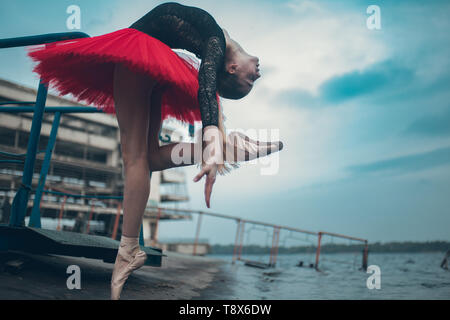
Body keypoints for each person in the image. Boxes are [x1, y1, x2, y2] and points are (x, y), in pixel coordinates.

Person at [27, 2, 283, 300]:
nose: (259, 75)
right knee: (146, 157)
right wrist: (213, 136)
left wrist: (212, 129)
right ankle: (225, 150)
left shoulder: (215, 41)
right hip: (147, 56)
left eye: (251, 79)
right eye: (253, 79)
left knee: (135, 159)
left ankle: (129, 249)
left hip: (139, 56)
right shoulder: (215, 39)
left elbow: (206, 81)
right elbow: (207, 78)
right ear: (232, 66)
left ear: (232, 67)